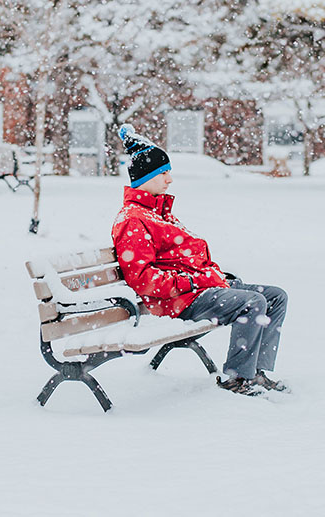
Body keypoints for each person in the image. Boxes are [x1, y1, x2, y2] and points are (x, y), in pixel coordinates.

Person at [112, 124, 288, 397]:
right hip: (177, 301)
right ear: (147, 176)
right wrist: (195, 281)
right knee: (253, 303)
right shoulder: (134, 220)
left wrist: (213, 277)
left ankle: (255, 373)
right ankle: (237, 380)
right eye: (164, 173)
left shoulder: (159, 213)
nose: (169, 179)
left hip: (199, 290)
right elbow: (144, 281)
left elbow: (186, 257)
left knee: (276, 296)